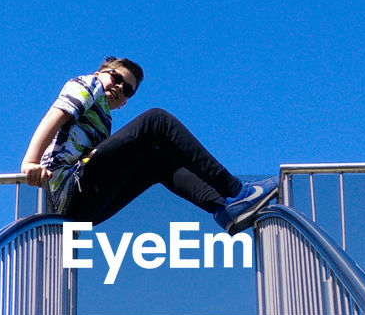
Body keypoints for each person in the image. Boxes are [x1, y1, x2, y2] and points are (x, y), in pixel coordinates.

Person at [20, 57, 279, 235]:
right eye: (116, 78)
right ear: (100, 73)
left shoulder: (104, 120)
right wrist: (31, 161)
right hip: (67, 190)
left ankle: (222, 208)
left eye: (127, 90)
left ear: (124, 103)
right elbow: (56, 115)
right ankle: (237, 190)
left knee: (155, 161)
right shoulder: (88, 84)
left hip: (81, 211)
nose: (120, 88)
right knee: (156, 119)